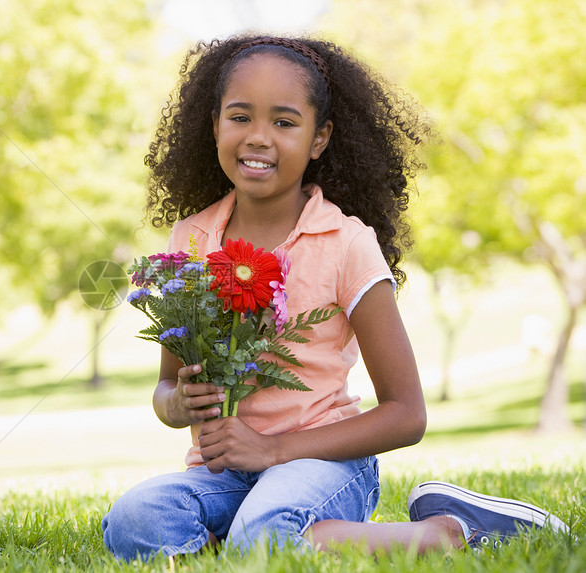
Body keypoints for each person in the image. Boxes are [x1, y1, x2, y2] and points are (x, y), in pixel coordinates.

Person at [101, 34, 567, 561]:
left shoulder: (346, 244)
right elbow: (166, 390)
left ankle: (445, 534)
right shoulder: (191, 240)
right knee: (133, 519)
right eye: (239, 117)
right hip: (225, 475)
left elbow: (406, 413)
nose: (258, 137)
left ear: (318, 138)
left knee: (265, 533)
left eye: (283, 121)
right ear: (214, 126)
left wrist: (273, 449)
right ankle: (248, 546)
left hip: (326, 465)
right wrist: (179, 402)